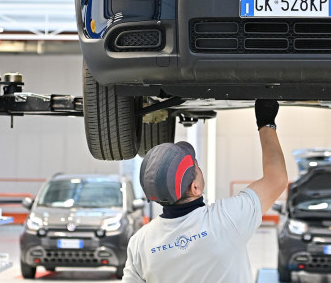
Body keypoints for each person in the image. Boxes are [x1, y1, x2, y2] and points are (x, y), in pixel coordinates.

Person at [122, 99, 288, 282]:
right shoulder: (226, 219)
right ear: (195, 188)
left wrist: (265, 124)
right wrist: (266, 122)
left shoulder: (139, 244)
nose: (200, 169)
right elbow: (277, 178)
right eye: (197, 167)